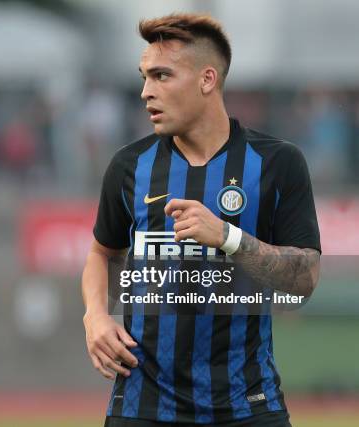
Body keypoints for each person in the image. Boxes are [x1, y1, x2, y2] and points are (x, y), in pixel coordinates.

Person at [81, 13, 321, 427]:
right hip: (142, 406)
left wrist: (229, 238)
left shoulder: (278, 163)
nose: (145, 92)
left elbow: (303, 282)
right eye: (144, 77)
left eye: (161, 76)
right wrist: (96, 316)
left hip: (248, 405)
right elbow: (102, 253)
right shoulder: (129, 166)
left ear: (207, 80)